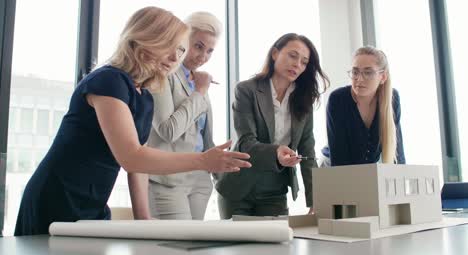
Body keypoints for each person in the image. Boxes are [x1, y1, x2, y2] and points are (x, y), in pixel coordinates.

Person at [14, 6, 250, 236]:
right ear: (144, 39)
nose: (174, 57)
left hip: (94, 202)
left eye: (180, 50)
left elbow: (140, 158)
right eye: (167, 46)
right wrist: (202, 160)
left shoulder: (144, 95)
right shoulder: (108, 80)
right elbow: (131, 157)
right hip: (58, 196)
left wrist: (143, 217)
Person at [215, 33, 329, 218]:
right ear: (275, 53)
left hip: (275, 191)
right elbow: (246, 142)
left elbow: (307, 151)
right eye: (293, 56)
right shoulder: (247, 90)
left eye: (304, 62)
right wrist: (277, 152)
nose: (297, 65)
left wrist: (315, 199)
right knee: (237, 246)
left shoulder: (304, 100)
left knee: (278, 243)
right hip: (238, 187)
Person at [129, 12, 223, 220]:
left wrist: (219, 172)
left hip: (200, 179)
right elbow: (168, 130)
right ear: (182, 39)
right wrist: (200, 92)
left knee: (195, 248)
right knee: (173, 249)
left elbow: (202, 135)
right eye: (198, 46)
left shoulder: (198, 80)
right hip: (168, 179)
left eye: (210, 51)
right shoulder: (163, 72)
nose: (203, 56)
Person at [325, 46, 405, 166]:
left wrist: (400, 180)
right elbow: (339, 159)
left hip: (368, 172)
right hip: (334, 168)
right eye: (355, 72)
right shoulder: (338, 99)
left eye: (368, 72)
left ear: (383, 77)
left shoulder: (392, 98)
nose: (359, 79)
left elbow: (397, 151)